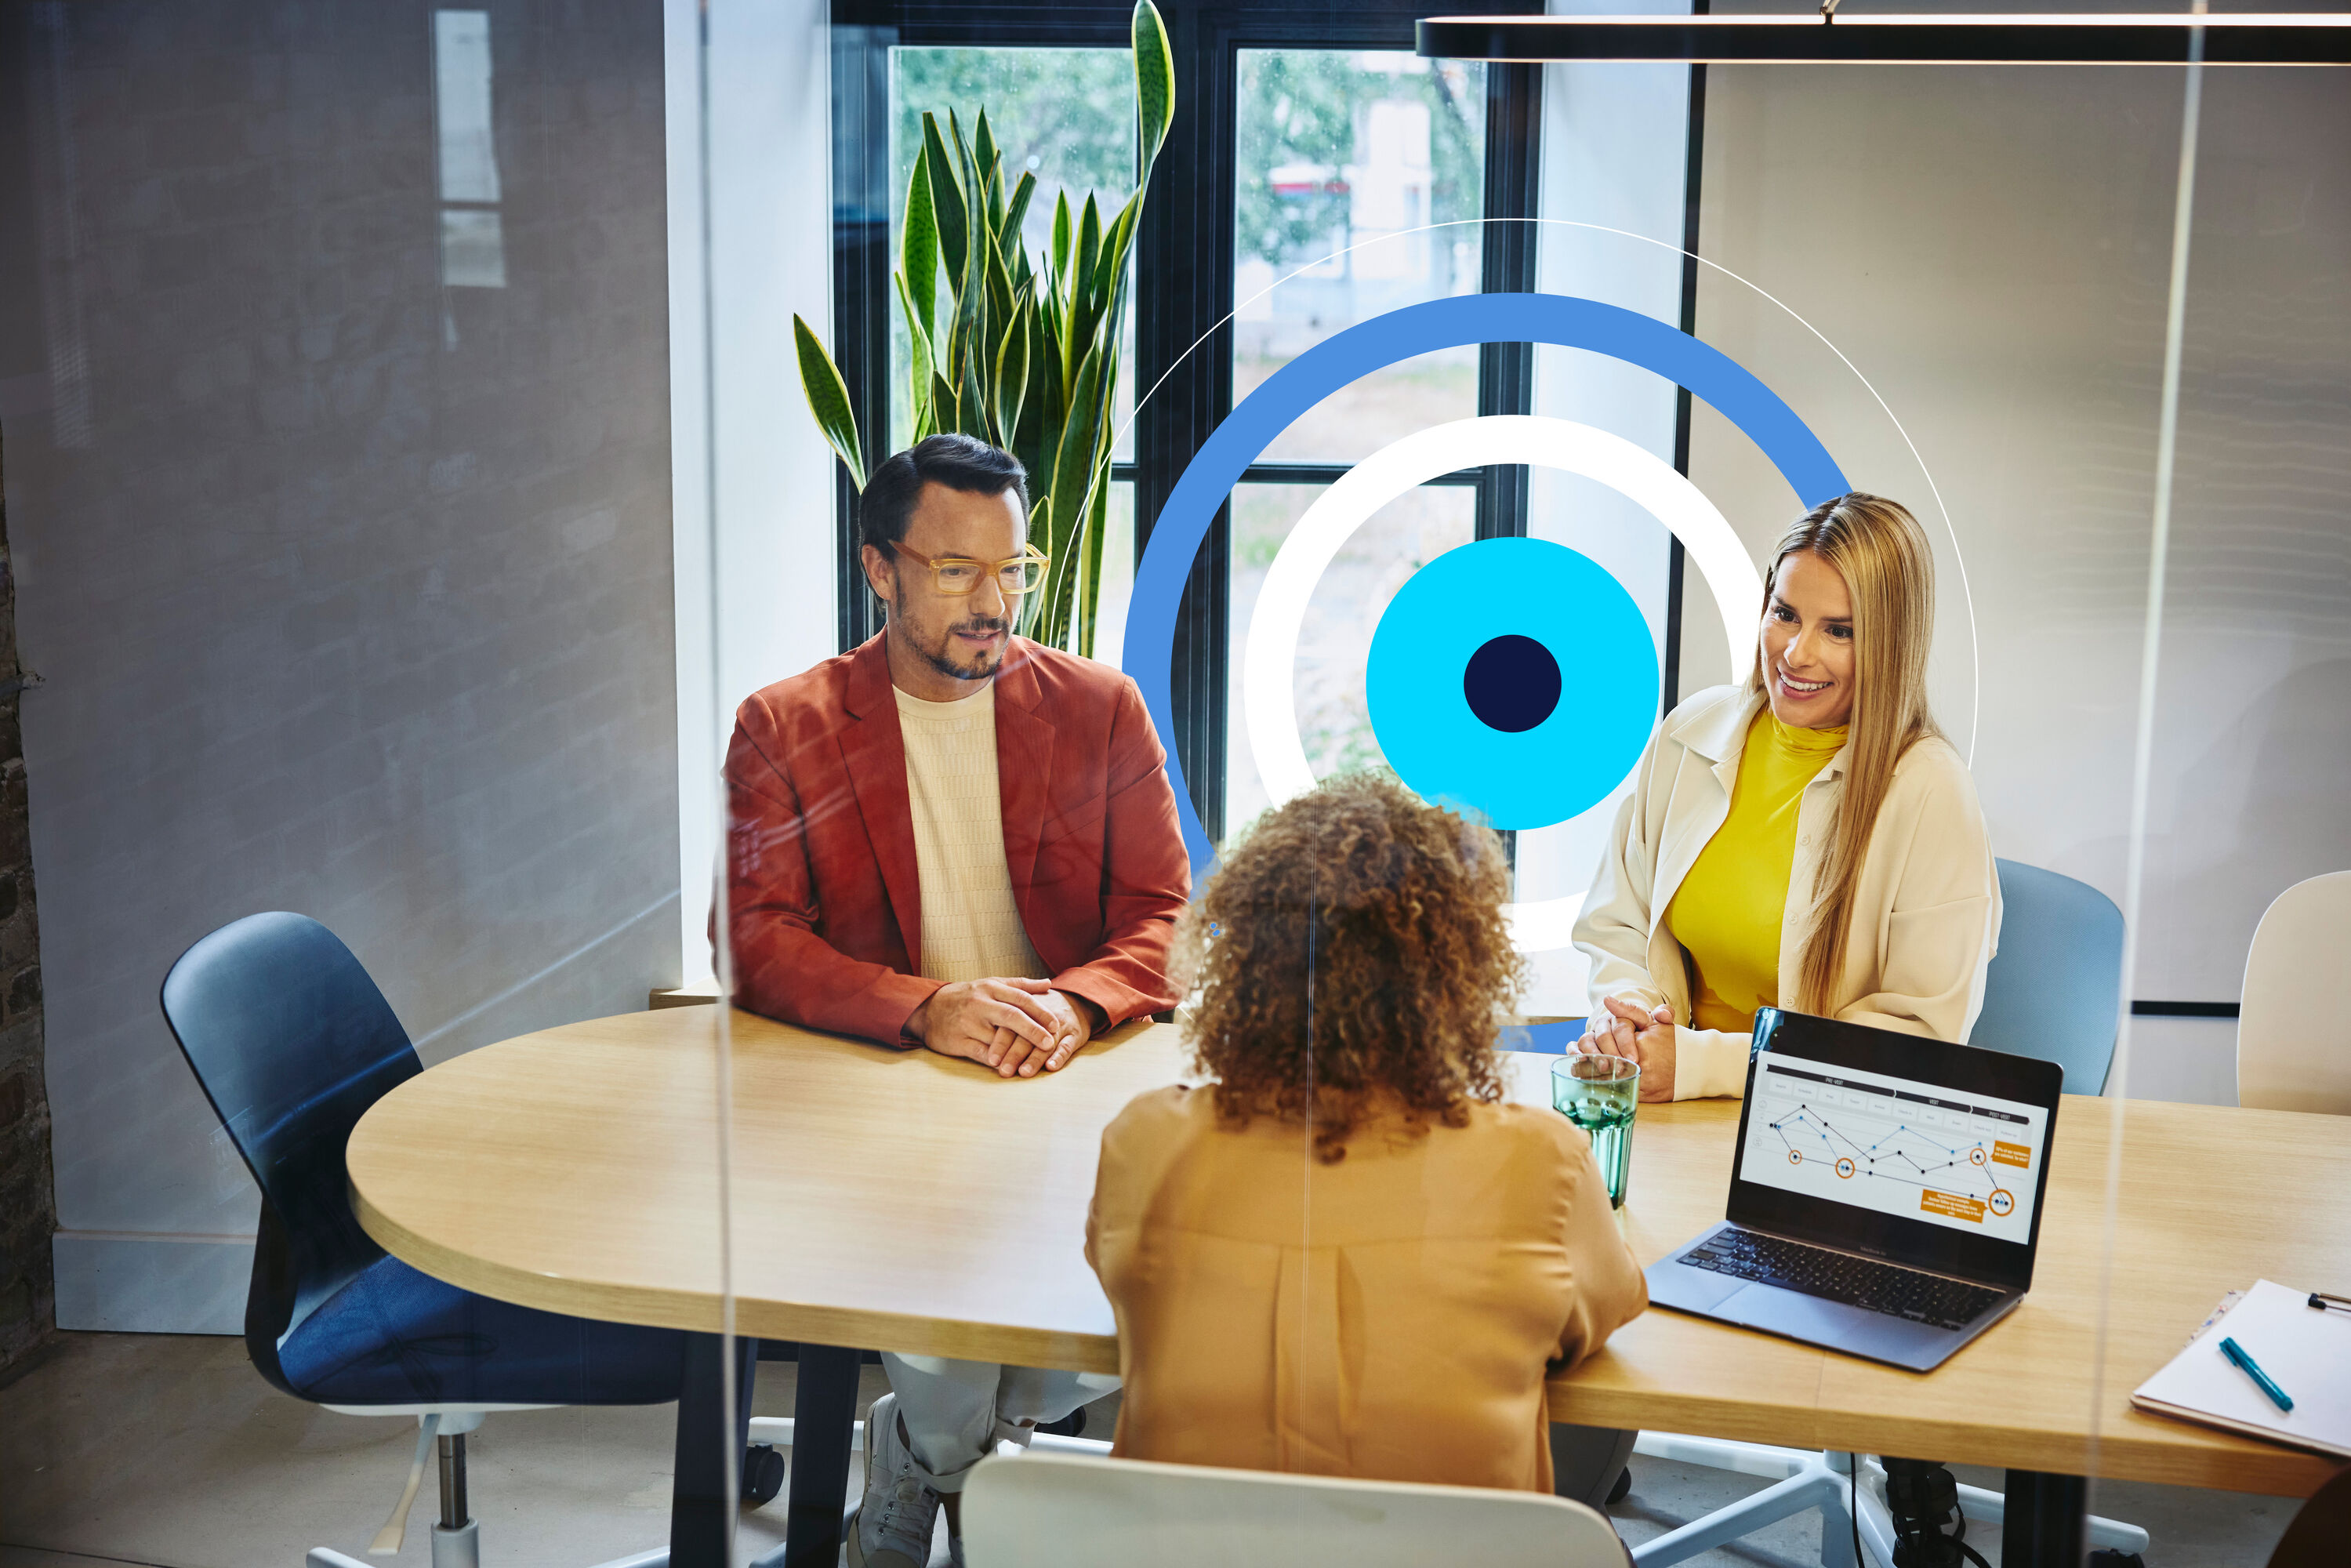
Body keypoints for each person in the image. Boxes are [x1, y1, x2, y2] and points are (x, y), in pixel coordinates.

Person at [720, 433, 1190, 1568]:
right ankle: (978, 1498)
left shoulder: (1097, 709)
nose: (994, 604)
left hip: (1066, 1083)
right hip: (893, 1090)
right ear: (879, 569)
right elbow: (751, 935)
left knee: (1129, 1294)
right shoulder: (784, 726)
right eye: (954, 572)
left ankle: (927, 1459)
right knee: (938, 1262)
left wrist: (1072, 1010)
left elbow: (1164, 911)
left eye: (1011, 571)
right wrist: (924, 1009)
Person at [1087, 771, 1648, 1503]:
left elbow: (1122, 1281)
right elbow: (1598, 1319)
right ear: (1461, 975)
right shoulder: (1541, 1162)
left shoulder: (1145, 1142)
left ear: (1246, 968)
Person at [1573, 492, 2000, 1100]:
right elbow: (1619, 920)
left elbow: (1917, 1042)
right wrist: (1627, 1019)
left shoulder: (1930, 788)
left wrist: (1700, 1066)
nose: (1797, 653)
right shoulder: (1689, 733)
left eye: (1839, 631)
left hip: (1821, 1126)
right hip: (1667, 1099)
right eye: (1785, 614)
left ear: (1890, 642)